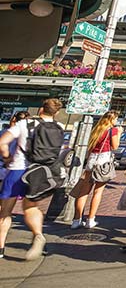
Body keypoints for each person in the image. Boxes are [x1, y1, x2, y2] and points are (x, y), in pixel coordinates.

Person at [0, 99, 64, 261]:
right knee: (30, 207)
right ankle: (38, 234)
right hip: (40, 172)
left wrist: (7, 158)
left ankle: (0, 248)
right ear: (56, 113)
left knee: (5, 212)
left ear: (41, 109)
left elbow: (2, 142)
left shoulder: (24, 124)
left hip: (18, 169)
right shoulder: (59, 128)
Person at [70, 111, 121, 229]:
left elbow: (90, 147)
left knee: (84, 191)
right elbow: (115, 146)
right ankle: (90, 219)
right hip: (103, 161)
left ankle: (76, 219)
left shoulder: (96, 129)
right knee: (98, 192)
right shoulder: (112, 130)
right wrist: (119, 134)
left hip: (92, 159)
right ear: (112, 120)